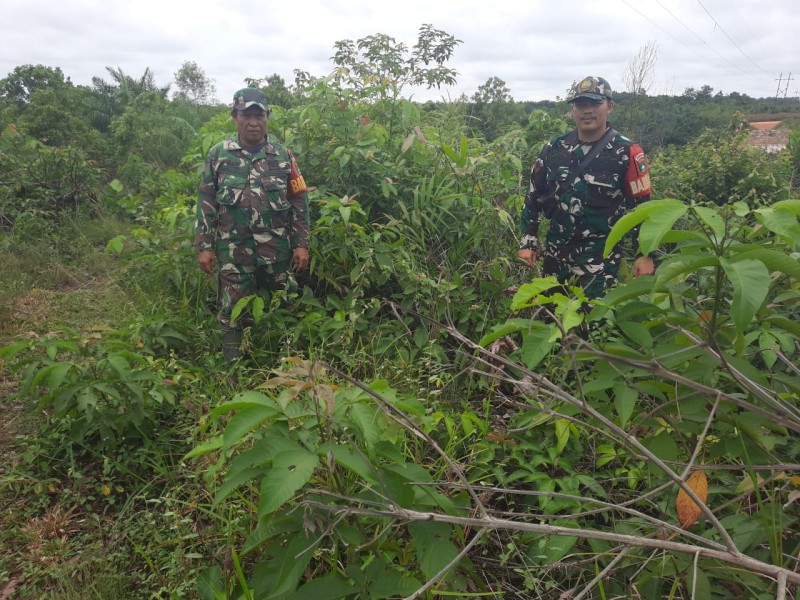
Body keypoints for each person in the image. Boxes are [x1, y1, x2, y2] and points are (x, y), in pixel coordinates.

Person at [195, 87, 310, 363]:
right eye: (247, 115)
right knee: (231, 310)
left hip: (277, 252)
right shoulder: (218, 155)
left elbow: (299, 201)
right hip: (234, 252)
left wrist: (302, 244)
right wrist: (204, 246)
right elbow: (206, 201)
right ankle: (233, 370)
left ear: (267, 117)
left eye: (260, 115)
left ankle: (286, 363)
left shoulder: (283, 156)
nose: (254, 121)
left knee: (284, 305)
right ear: (235, 116)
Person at [518, 76, 654, 300]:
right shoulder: (555, 148)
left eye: (595, 103)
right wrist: (528, 242)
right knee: (550, 320)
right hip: (556, 257)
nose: (587, 110)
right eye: (581, 104)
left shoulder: (626, 152)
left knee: (594, 326)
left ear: (609, 106)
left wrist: (645, 254)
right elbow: (533, 195)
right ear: (573, 109)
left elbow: (643, 208)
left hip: (600, 261)